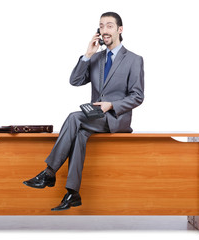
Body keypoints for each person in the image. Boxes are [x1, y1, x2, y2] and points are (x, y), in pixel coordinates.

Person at [23, 12, 144, 211]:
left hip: (115, 118)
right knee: (79, 133)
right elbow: (75, 81)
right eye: (101, 26)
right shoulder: (96, 58)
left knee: (73, 118)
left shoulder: (134, 60)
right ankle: (73, 193)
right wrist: (87, 55)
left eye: (109, 26)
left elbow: (137, 96)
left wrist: (111, 105)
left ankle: (49, 172)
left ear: (120, 30)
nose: (105, 30)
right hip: (94, 117)